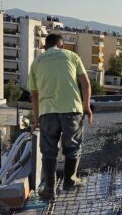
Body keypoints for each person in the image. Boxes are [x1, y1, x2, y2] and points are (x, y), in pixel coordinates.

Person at [29, 33, 95, 198]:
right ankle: (69, 181)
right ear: (62, 46)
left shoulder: (36, 62)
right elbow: (85, 83)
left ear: (45, 47)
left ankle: (49, 189)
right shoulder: (72, 56)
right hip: (72, 109)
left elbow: (35, 95)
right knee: (72, 147)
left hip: (47, 112)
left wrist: (36, 119)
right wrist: (86, 107)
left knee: (49, 151)